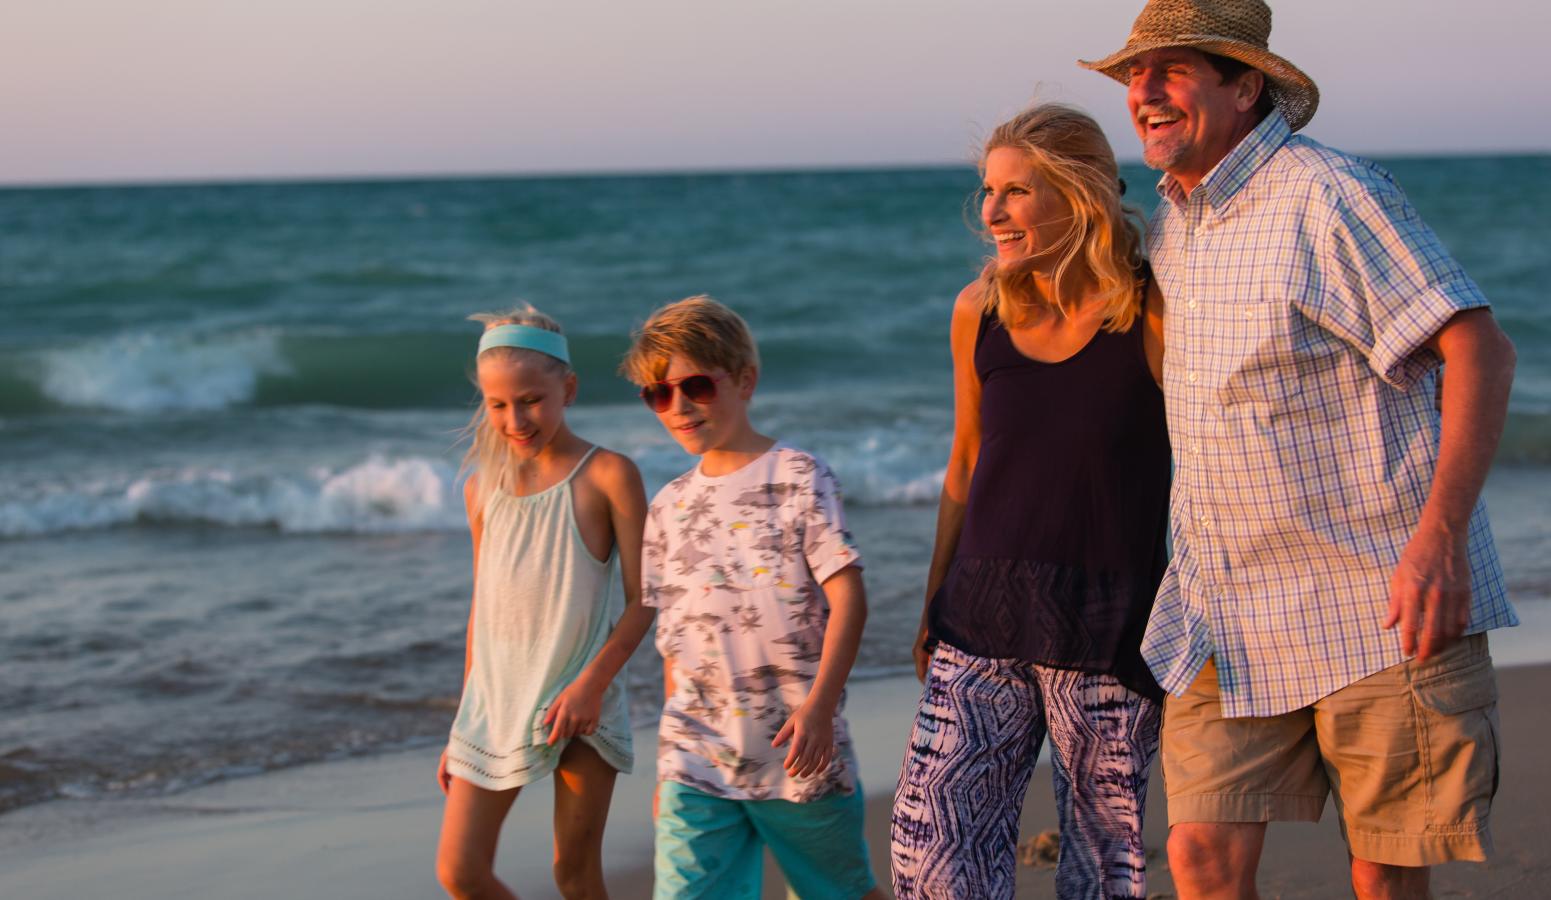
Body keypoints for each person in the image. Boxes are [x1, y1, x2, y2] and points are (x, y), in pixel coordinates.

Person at [1078, 2, 1519, 898]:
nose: (1144, 93)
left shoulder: (1330, 195)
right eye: (1133, 74)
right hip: (1225, 609)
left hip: (1374, 601)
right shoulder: (1178, 223)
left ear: (1246, 86)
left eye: (1171, 70)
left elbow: (1478, 346)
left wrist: (1438, 541)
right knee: (1199, 853)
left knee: (1382, 869)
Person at [890, 104, 1169, 899]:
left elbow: (1214, 460)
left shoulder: (1148, 311)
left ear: (1077, 197)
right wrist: (930, 600)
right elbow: (965, 462)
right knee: (933, 856)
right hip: (980, 618)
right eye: (988, 191)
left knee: (1102, 872)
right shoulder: (979, 309)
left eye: (1015, 192)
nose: (991, 212)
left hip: (1109, 631)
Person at [620, 296, 888, 900]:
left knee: (840, 893)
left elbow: (849, 597)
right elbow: (676, 643)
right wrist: (669, 763)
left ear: (744, 380)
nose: (679, 406)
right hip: (696, 759)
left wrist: (819, 708)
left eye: (695, 386)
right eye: (658, 394)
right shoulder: (666, 507)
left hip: (797, 753)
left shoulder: (798, 476)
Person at [435, 306, 654, 900]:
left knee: (574, 876)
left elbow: (646, 600)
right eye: (499, 404)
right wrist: (463, 722)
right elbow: (483, 610)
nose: (516, 418)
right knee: (459, 870)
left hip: (583, 701)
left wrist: (590, 685)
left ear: (569, 388)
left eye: (531, 399)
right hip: (497, 702)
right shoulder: (481, 487)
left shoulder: (608, 474)